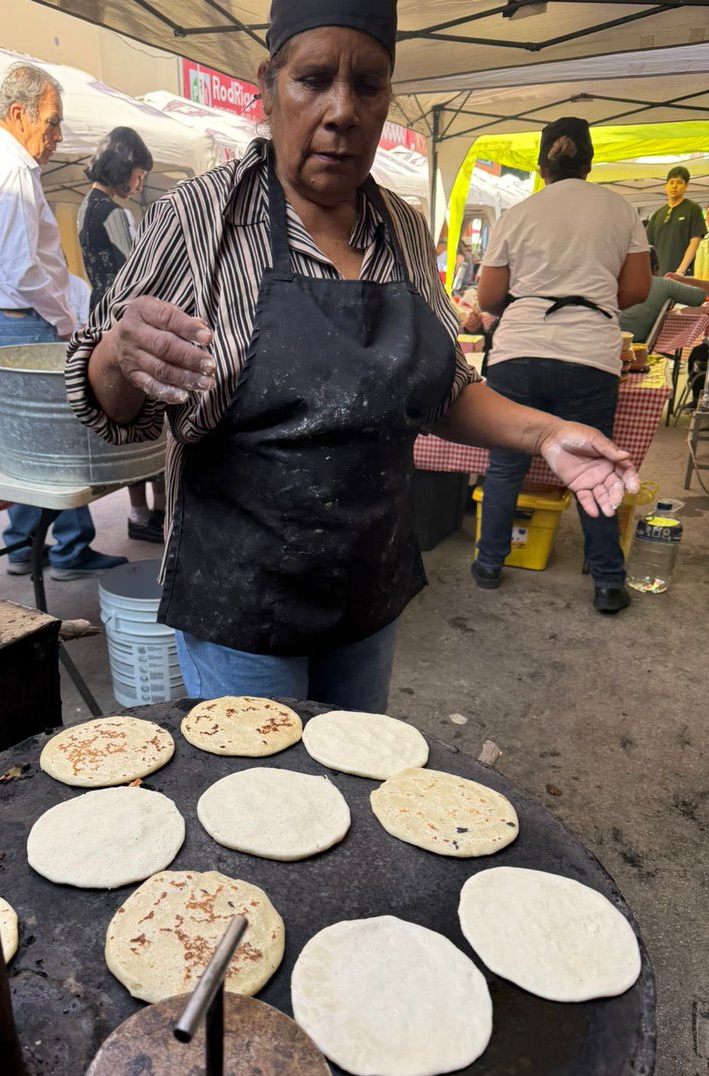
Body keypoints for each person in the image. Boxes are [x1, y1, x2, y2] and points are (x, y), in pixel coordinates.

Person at [66, 1, 641, 712]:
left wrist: (547, 433)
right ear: (269, 87)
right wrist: (120, 354)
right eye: (313, 80)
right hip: (243, 599)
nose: (342, 111)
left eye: (368, 85)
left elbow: (442, 391)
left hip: (369, 586)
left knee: (357, 792)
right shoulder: (200, 217)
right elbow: (107, 406)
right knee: (268, 803)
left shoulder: (400, 229)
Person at [474, 116, 651, 615]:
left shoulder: (519, 212)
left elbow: (488, 298)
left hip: (520, 348)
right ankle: (608, 581)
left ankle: (489, 564)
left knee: (507, 462)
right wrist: (588, 295)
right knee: (595, 464)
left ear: (541, 163)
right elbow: (636, 291)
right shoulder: (621, 209)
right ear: (590, 161)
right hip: (588, 352)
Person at [0, 61, 125, 581]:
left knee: (24, 443)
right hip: (29, 319)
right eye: (51, 121)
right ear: (17, 113)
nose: (56, 135)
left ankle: (24, 545)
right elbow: (25, 269)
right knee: (60, 440)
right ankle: (68, 548)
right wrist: (65, 321)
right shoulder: (9, 172)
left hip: (7, 319)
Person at [78, 127, 167, 544]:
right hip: (125, 320)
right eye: (138, 174)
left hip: (98, 317)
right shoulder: (115, 214)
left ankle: (139, 512)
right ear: (124, 167)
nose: (139, 182)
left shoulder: (84, 208)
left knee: (123, 416)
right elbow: (138, 276)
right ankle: (156, 513)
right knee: (150, 415)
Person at [619, 247, 706, 344]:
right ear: (656, 268)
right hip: (635, 343)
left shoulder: (616, 280)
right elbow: (699, 297)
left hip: (605, 338)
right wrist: (680, 281)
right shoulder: (664, 284)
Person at [645, 166, 707, 277]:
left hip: (684, 274)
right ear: (666, 186)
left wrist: (681, 270)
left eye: (679, 182)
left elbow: (695, 241)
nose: (674, 186)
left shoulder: (693, 209)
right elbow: (648, 245)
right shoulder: (658, 214)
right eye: (671, 182)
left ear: (686, 185)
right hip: (660, 275)